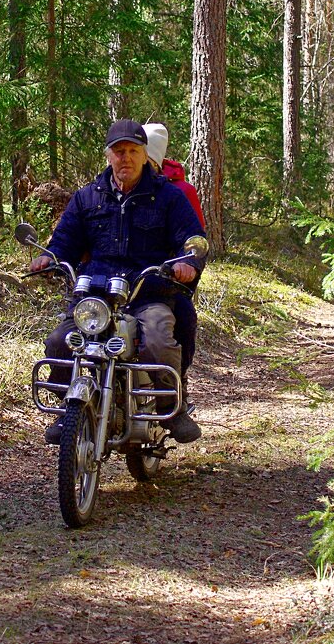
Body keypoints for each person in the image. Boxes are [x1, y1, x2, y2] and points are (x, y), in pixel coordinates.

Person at [30, 119, 206, 444]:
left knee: (156, 340)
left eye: (133, 151)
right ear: (108, 156)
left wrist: (188, 261)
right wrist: (49, 257)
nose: (125, 157)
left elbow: (192, 238)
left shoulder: (168, 197)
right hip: (95, 296)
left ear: (144, 155)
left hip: (147, 292)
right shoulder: (86, 198)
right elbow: (65, 240)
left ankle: (171, 407)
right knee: (59, 343)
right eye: (119, 151)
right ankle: (67, 411)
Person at [142, 123, 204, 391]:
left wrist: (185, 266)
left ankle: (177, 385)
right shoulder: (109, 186)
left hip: (164, 277)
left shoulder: (181, 192)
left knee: (184, 316)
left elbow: (195, 239)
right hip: (117, 279)